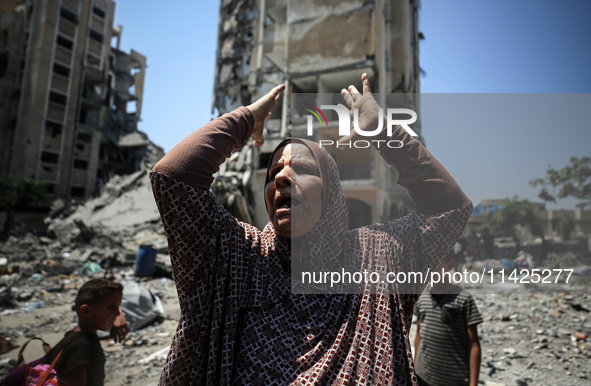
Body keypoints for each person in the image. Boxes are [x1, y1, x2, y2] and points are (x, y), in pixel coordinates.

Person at [150, 73, 472, 384]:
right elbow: (172, 179)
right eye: (274, 171)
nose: (280, 178)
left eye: (301, 168)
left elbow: (450, 209)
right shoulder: (239, 257)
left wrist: (384, 133)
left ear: (330, 191)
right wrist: (245, 120)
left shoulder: (376, 258)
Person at [414, 252, 482, 386]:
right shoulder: (422, 298)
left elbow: (474, 344)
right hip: (422, 375)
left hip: (454, 380)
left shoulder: (463, 299)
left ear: (450, 265)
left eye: (433, 265)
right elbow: (418, 334)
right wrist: (414, 366)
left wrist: (473, 383)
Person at [42, 278, 123, 386]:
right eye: (111, 307)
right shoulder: (80, 347)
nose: (118, 314)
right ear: (86, 311)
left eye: (118, 306)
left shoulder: (75, 337)